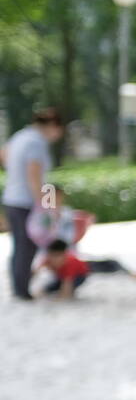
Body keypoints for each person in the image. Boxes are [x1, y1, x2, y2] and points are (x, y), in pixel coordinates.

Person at [1, 108, 64, 300]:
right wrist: (46, 206)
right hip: (25, 201)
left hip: (11, 197)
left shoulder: (20, 136)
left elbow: (3, 156)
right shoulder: (37, 142)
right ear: (53, 125)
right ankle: (22, 291)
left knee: (19, 244)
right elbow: (35, 177)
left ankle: (18, 287)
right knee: (27, 246)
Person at [35, 239, 136, 299]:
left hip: (83, 271)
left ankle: (130, 273)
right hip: (64, 275)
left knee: (111, 264)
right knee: (51, 287)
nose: (55, 260)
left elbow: (67, 285)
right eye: (52, 256)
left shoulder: (69, 263)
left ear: (65, 255)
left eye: (58, 256)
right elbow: (35, 271)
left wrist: (63, 297)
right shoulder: (46, 260)